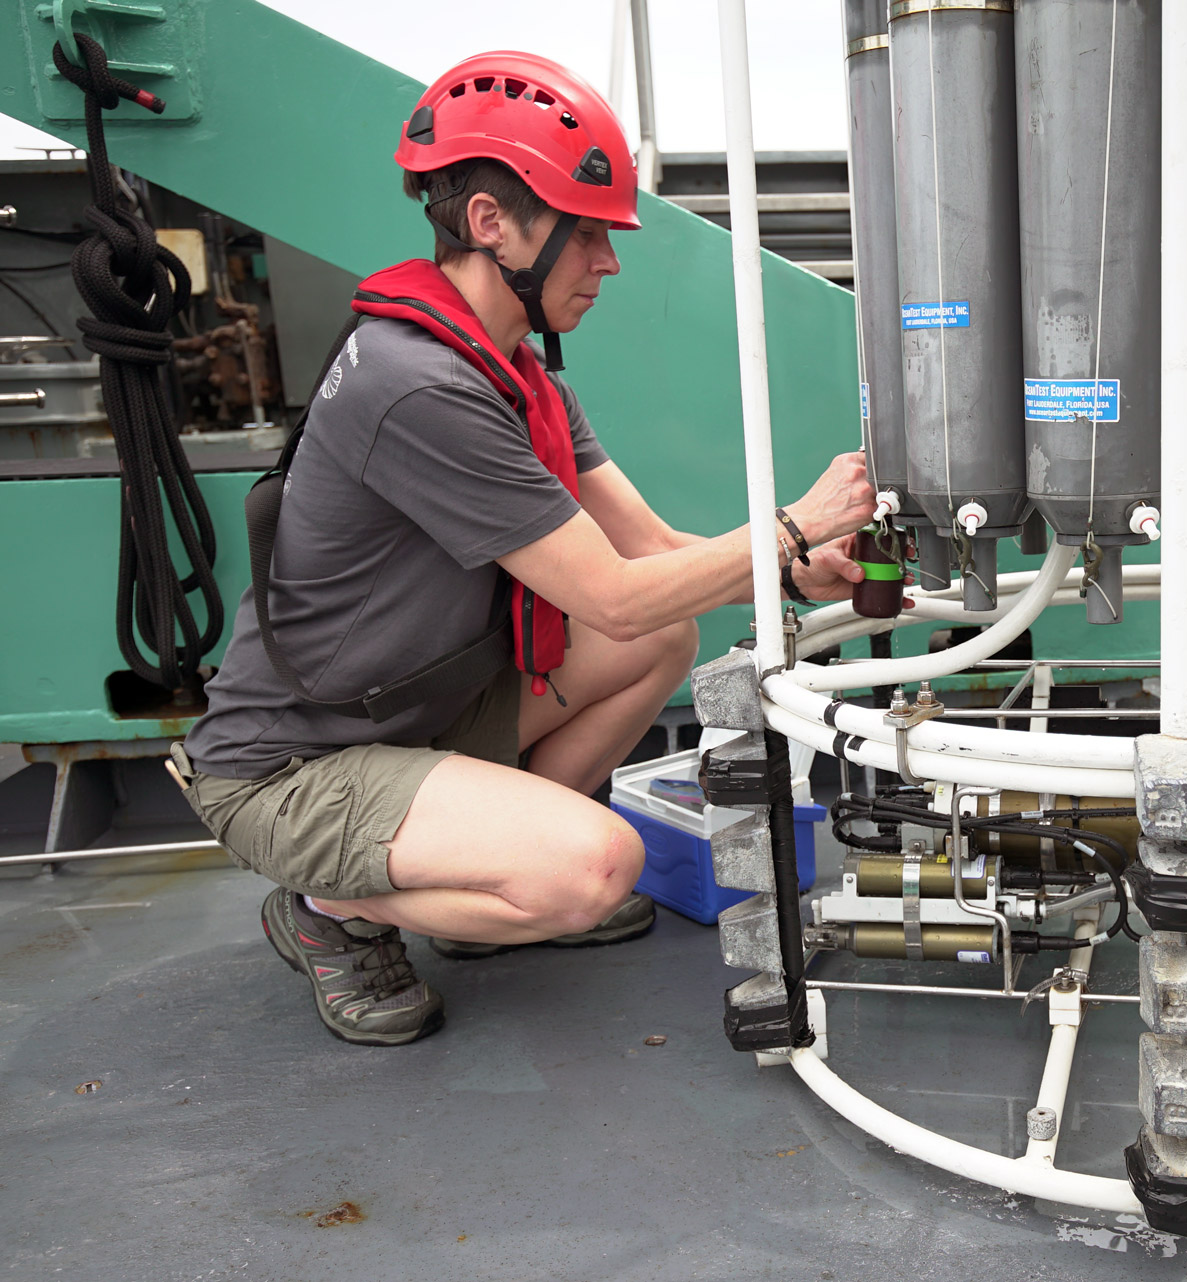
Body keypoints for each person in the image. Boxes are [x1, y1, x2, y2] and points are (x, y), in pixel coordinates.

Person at [171, 52, 875, 1047]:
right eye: (587, 234)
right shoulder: (418, 386)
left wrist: (792, 565)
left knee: (666, 633)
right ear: (492, 224)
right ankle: (331, 906)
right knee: (595, 868)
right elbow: (614, 596)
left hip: (413, 712)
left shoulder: (516, 375)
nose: (610, 263)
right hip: (296, 762)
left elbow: (654, 558)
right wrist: (794, 525)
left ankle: (479, 865)